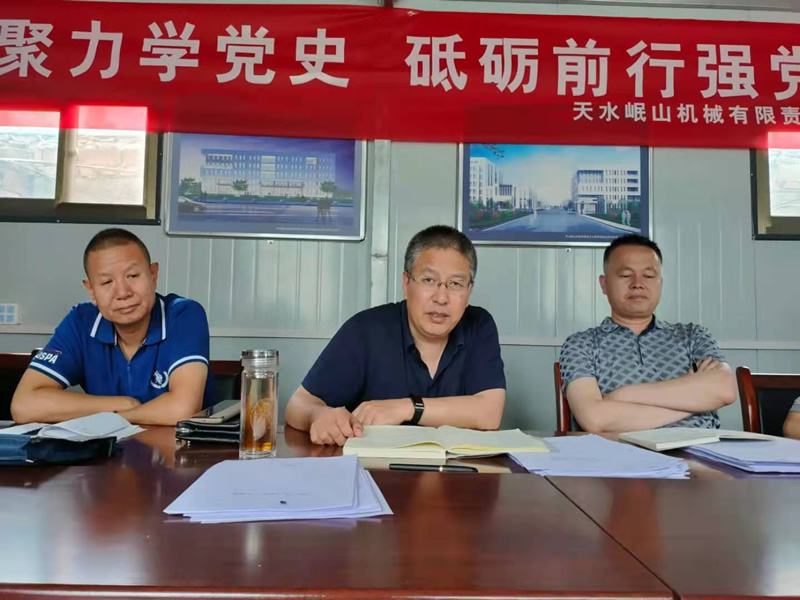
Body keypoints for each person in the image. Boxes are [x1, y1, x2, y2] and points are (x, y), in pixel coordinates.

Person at [285, 225, 506, 446]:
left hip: (457, 467)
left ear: (469, 291)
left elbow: (489, 413)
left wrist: (406, 408)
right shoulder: (365, 329)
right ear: (406, 283)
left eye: (456, 284)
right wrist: (320, 416)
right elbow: (298, 404)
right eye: (428, 280)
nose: (441, 298)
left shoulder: (478, 325)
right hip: (373, 466)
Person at [11, 228, 215, 425]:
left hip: (181, 448)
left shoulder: (183, 315)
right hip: (106, 447)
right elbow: (24, 405)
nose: (123, 293)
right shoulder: (81, 321)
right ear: (91, 290)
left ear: (153, 275)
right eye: (107, 282)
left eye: (132, 276)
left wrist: (116, 418)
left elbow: (183, 408)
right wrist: (122, 404)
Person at [559, 234, 736, 433]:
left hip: (701, 449)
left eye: (649, 276)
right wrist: (695, 400)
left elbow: (725, 390)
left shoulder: (693, 336)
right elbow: (595, 419)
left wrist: (623, 395)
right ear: (604, 284)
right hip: (620, 450)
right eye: (626, 275)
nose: (638, 283)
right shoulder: (580, 344)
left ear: (660, 283)